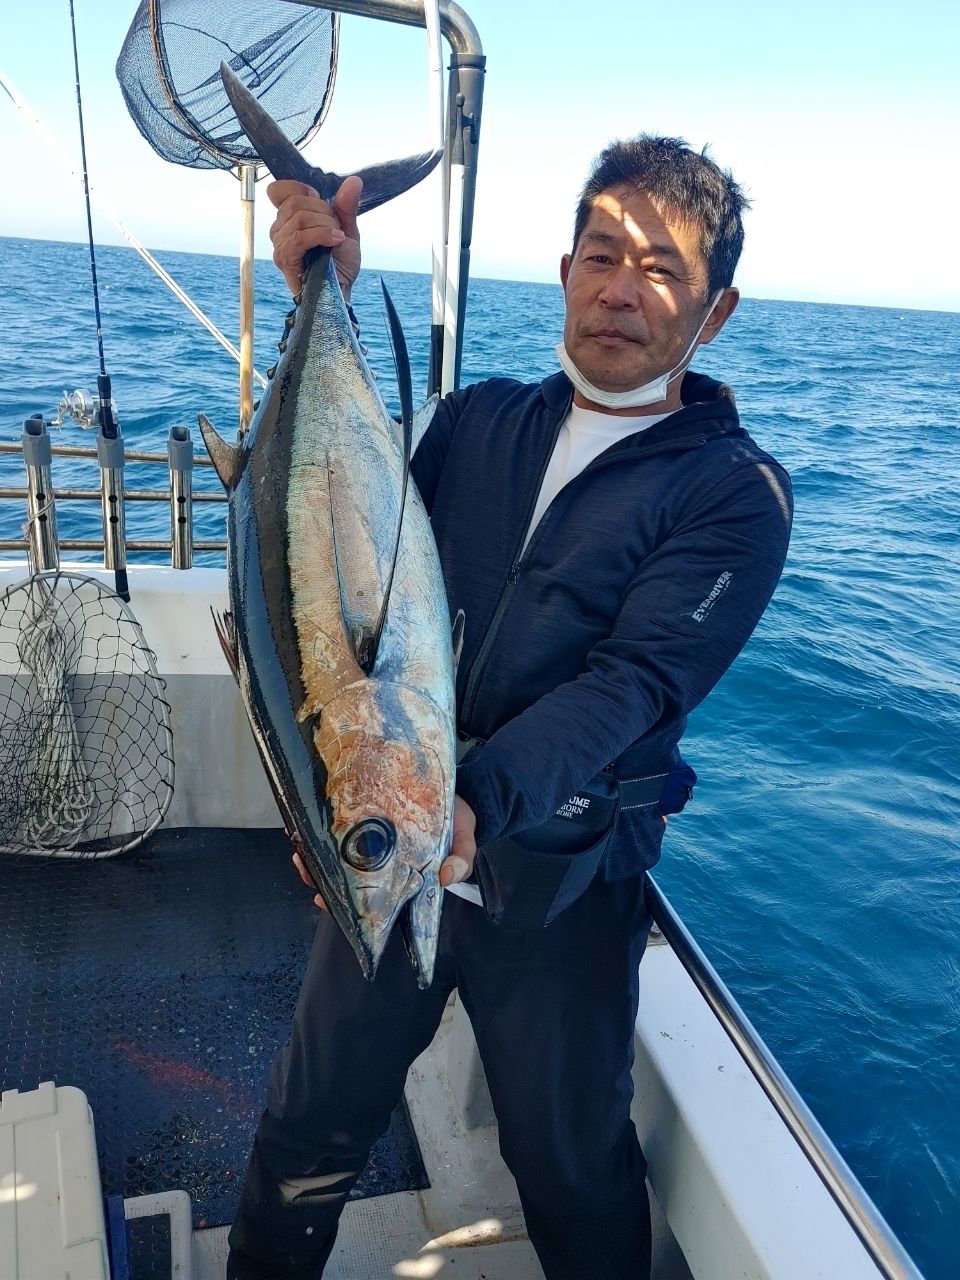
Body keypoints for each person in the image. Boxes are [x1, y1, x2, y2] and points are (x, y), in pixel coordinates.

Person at [227, 135, 793, 1280]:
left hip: (561, 881)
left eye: (663, 269)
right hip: (391, 845)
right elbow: (334, 586)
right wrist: (312, 288)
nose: (621, 288)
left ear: (716, 309)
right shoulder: (471, 420)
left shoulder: (735, 493)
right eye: (600, 254)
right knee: (305, 1130)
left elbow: (635, 684)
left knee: (573, 1169)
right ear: (566, 268)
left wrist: (466, 800)